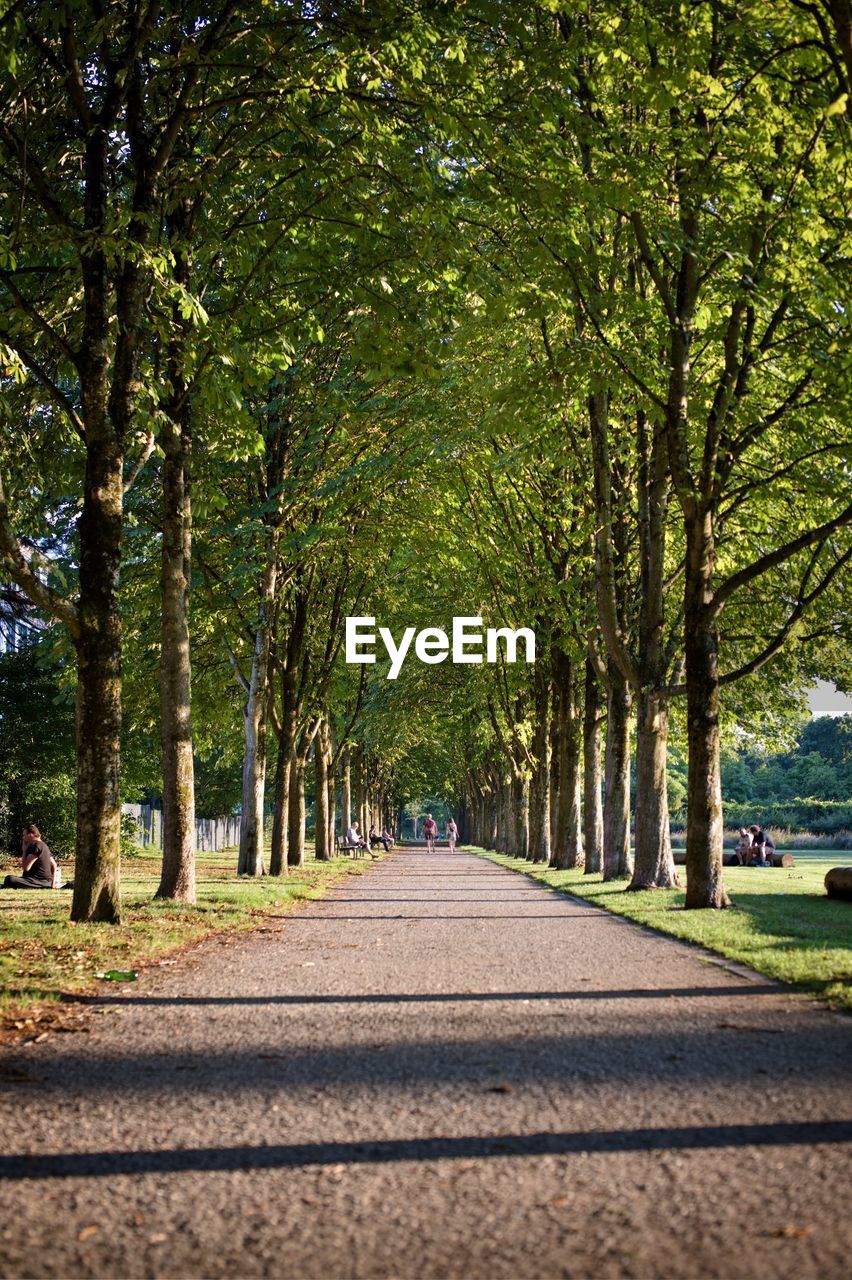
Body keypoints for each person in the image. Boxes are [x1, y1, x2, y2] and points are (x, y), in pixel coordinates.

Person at [3, 825, 57, 890]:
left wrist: (24, 851)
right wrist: (53, 883)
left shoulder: (36, 846)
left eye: (24, 835)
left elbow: (26, 868)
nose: (23, 838)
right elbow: (54, 864)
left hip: (38, 882)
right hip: (46, 882)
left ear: (30, 834)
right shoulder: (44, 845)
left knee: (9, 879)